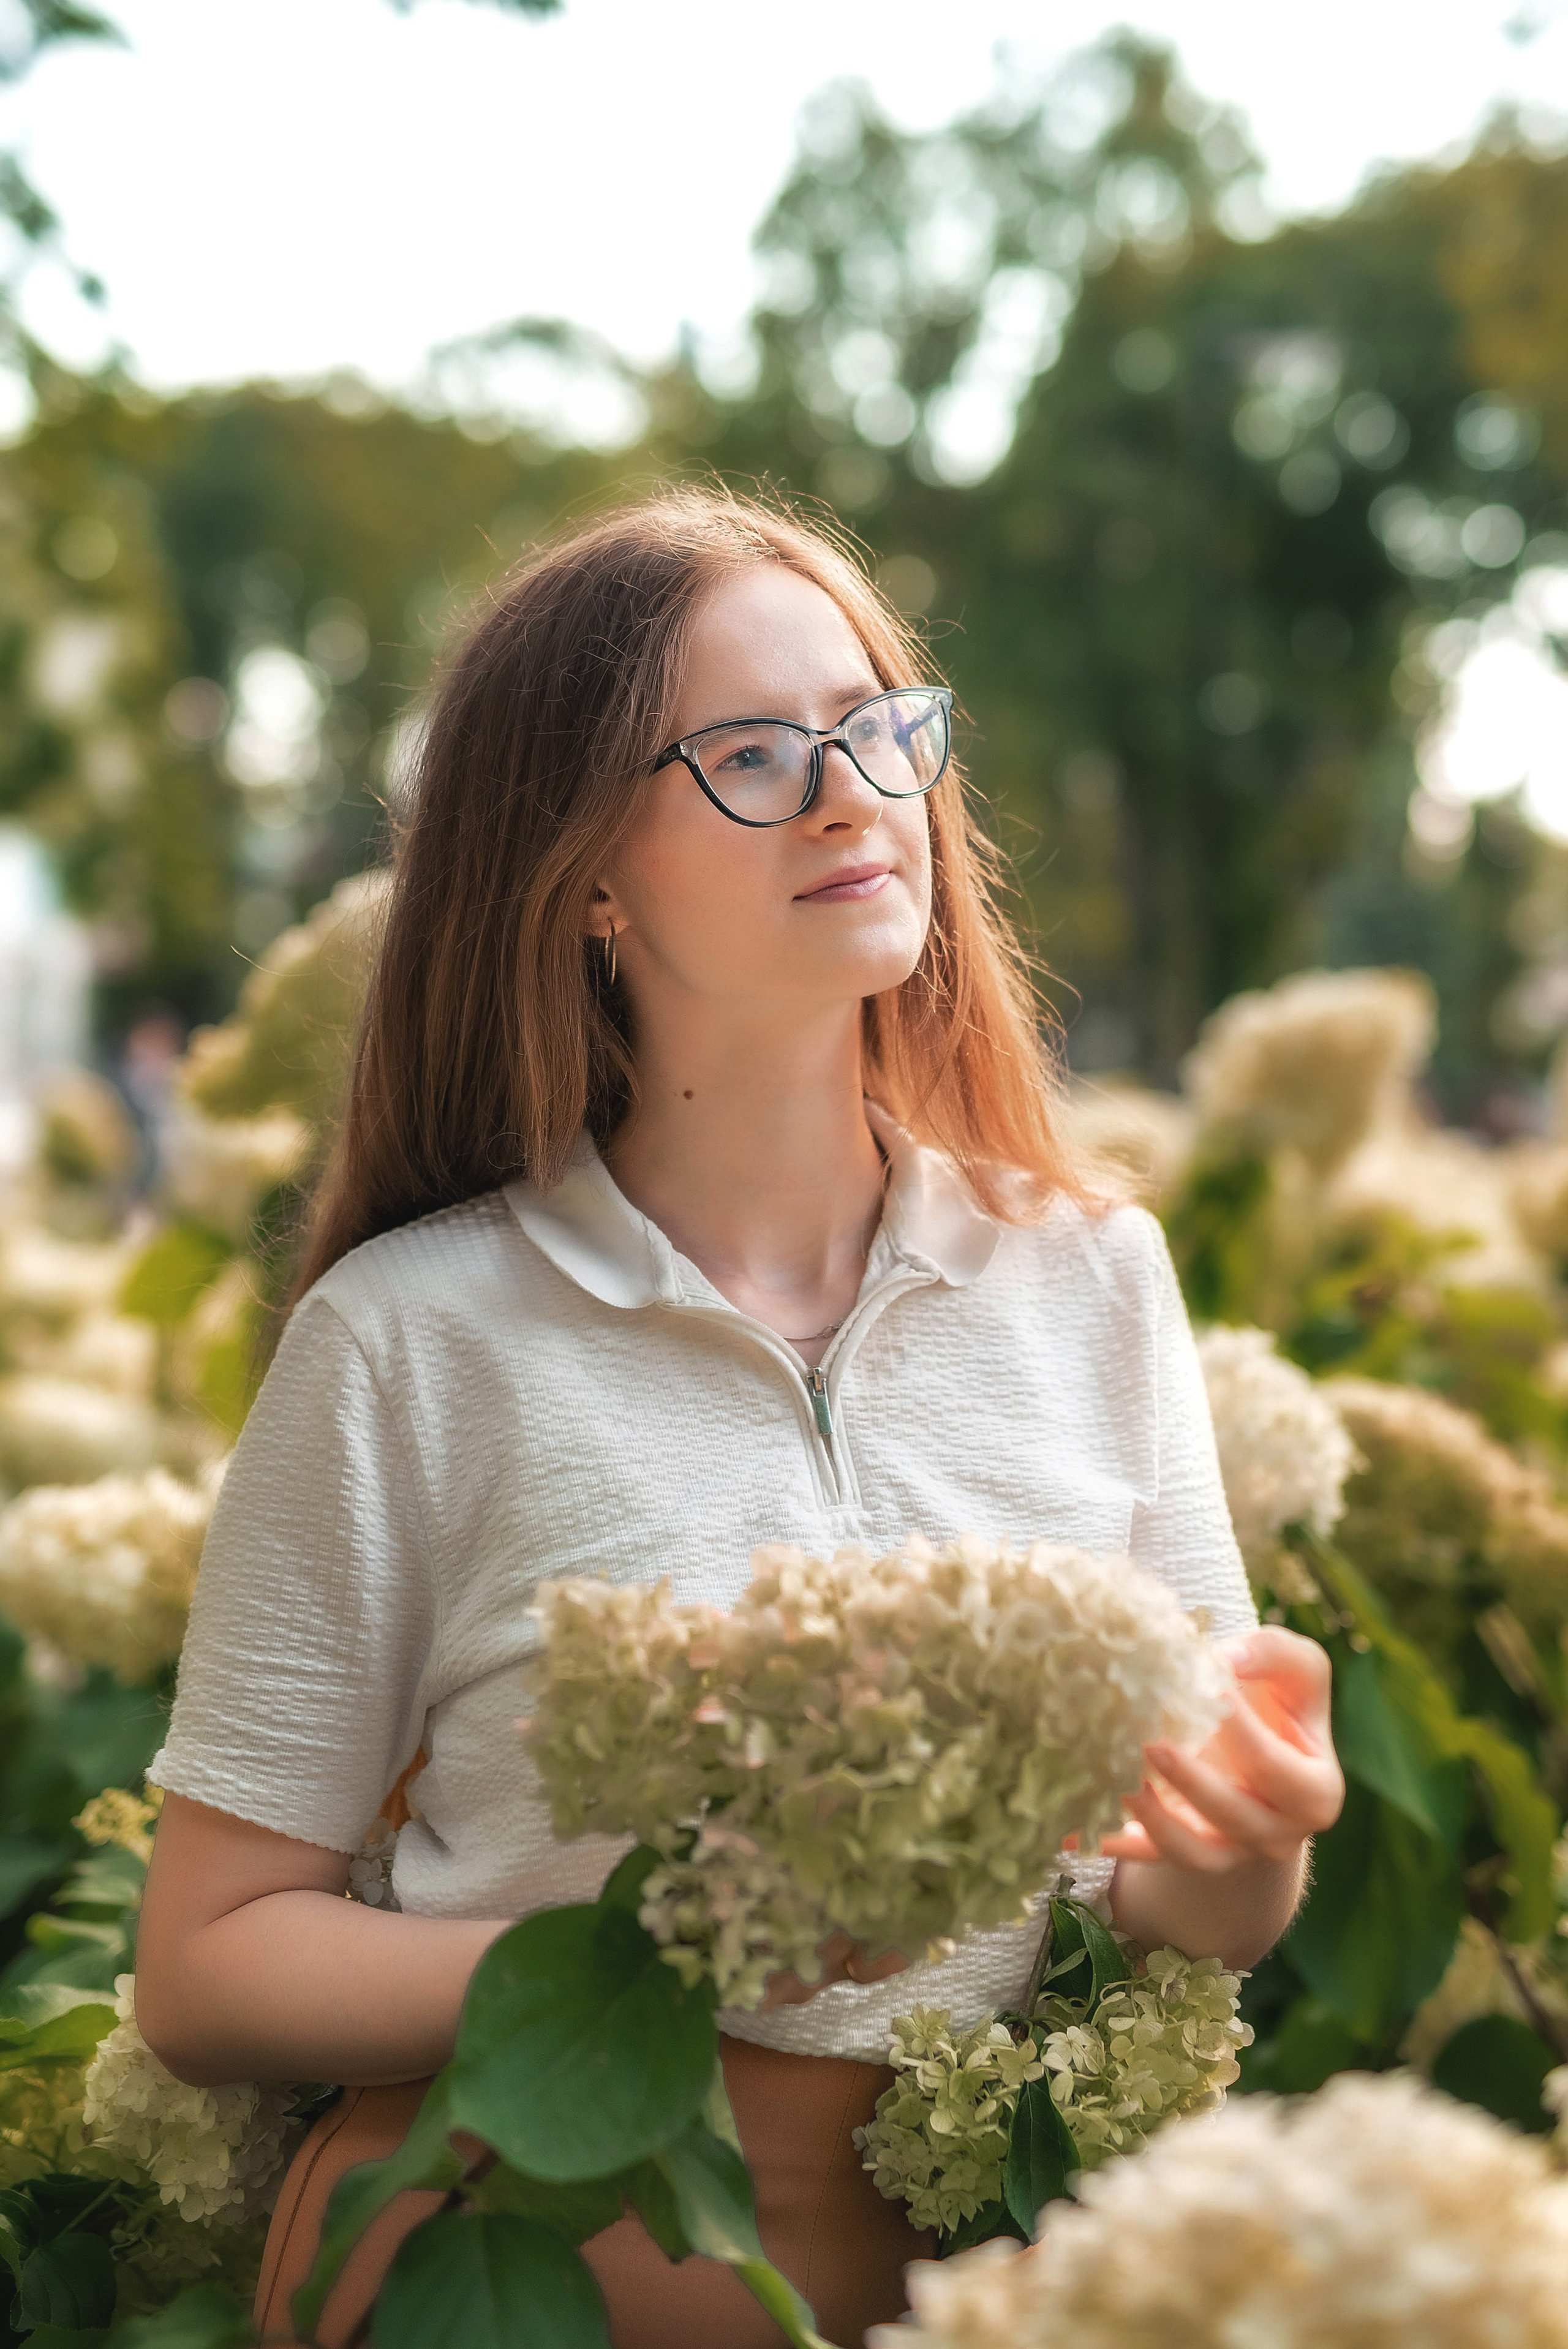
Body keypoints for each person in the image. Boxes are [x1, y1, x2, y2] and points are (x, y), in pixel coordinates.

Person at [132, 488, 1343, 2347]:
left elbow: (1178, 1899)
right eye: (756, 755)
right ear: (585, 871)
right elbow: (207, 1969)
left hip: (970, 2282)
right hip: (511, 2267)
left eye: (875, 726)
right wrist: (639, 1969)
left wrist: (1256, 1836)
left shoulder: (1097, 1277)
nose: (856, 790)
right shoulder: (406, 1339)